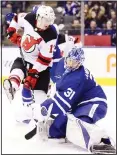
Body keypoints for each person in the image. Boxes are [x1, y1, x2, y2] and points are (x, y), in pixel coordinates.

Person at [31, 46, 115, 154]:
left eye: (74, 62)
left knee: (76, 122)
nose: (70, 64)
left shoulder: (77, 78)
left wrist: (43, 108)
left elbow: (61, 105)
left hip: (95, 103)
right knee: (62, 124)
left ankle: (101, 142)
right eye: (69, 60)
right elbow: (59, 92)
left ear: (80, 63)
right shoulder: (67, 70)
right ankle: (56, 131)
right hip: (79, 104)